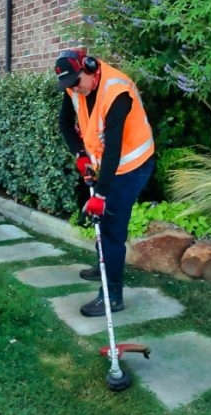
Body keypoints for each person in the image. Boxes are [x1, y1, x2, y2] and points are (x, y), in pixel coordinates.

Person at [55, 48, 155, 317]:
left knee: (111, 228)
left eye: (77, 82)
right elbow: (65, 124)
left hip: (132, 165)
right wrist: (80, 155)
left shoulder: (116, 91)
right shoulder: (75, 86)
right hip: (108, 164)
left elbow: (114, 149)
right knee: (103, 223)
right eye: (69, 85)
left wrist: (100, 194)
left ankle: (111, 296)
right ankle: (104, 266)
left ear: (90, 68)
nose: (74, 89)